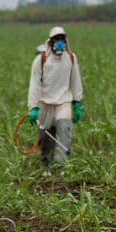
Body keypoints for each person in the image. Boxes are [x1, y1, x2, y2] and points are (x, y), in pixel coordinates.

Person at [27, 26, 84, 170]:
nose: (59, 42)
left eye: (62, 39)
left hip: (63, 102)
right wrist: (33, 107)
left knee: (64, 128)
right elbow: (34, 84)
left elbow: (75, 80)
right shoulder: (41, 60)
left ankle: (61, 164)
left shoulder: (71, 58)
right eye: (56, 39)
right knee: (46, 136)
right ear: (51, 42)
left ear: (65, 41)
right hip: (45, 103)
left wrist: (77, 102)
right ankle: (46, 164)